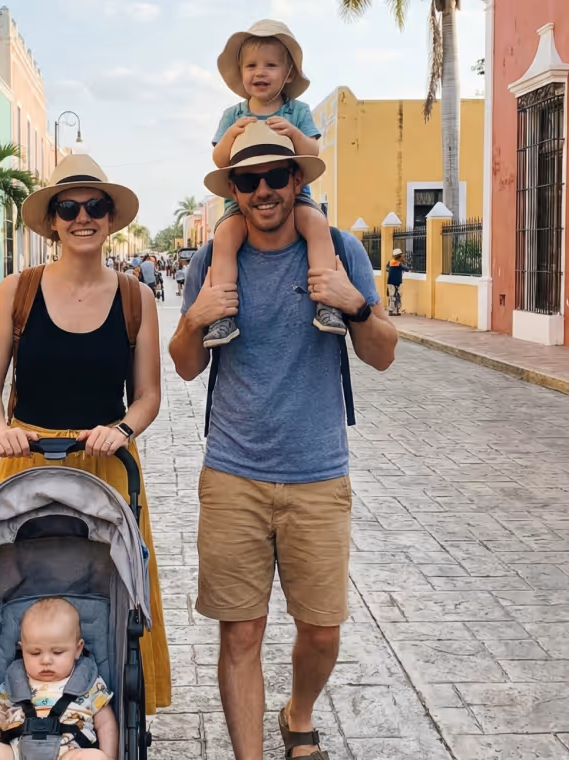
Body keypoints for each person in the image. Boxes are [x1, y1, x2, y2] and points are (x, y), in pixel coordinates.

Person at [169, 124, 397, 760]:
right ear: (235, 190)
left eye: (276, 176)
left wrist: (355, 305)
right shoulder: (211, 260)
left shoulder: (341, 250)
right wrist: (194, 319)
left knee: (321, 631)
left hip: (318, 472)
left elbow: (383, 355)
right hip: (232, 472)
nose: (263, 190)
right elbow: (186, 366)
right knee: (240, 634)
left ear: (297, 180)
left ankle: (298, 711)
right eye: (249, 180)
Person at [0, 153, 171, 715]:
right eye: (68, 207)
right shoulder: (18, 291)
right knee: (22, 586)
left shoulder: (135, 297)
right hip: (28, 462)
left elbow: (148, 395)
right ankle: (15, 702)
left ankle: (113, 713)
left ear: (110, 217)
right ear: (52, 221)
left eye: (95, 206)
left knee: (114, 589)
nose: (83, 217)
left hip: (106, 464)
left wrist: (122, 429)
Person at [203, 20, 345, 350]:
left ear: (288, 73)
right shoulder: (233, 115)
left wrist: (293, 134)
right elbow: (220, 159)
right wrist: (232, 135)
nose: (260, 72)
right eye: (251, 65)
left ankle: (327, 302)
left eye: (270, 65)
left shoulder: (297, 111)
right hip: (241, 204)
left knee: (317, 225)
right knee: (224, 238)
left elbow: (312, 152)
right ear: (241, 73)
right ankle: (222, 313)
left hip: (295, 198)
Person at [0, 598, 117, 760]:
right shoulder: (15, 681)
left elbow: (106, 724)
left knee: (94, 757)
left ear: (78, 649)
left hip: (68, 753)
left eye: (57, 652)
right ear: (22, 650)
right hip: (16, 752)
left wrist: (109, 756)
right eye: (35, 653)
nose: (46, 660)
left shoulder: (89, 683)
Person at [386, 248, 410, 316]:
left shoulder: (390, 262)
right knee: (398, 297)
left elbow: (387, 269)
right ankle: (396, 311)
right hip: (398, 282)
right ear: (399, 256)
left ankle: (391, 310)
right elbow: (406, 269)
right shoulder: (399, 264)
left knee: (392, 297)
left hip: (390, 282)